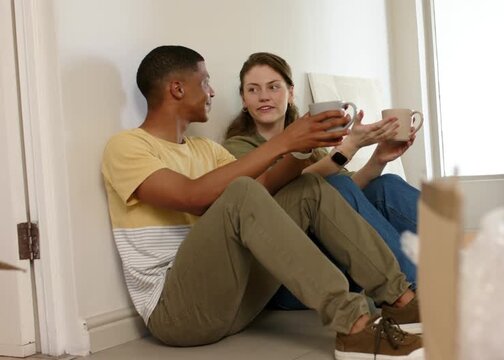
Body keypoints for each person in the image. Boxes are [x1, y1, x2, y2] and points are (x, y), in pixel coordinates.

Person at [101, 45, 423, 360]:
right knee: (240, 191)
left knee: (308, 187)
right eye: (205, 82)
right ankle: (355, 325)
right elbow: (192, 197)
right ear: (177, 88)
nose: (212, 92)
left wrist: (303, 147)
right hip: (176, 313)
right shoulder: (127, 146)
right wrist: (284, 141)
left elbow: (263, 189)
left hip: (235, 300)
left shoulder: (205, 149)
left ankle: (400, 298)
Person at [223, 52, 420, 310]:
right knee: (334, 187)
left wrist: (379, 159)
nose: (264, 96)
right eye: (253, 89)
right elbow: (289, 193)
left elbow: (350, 192)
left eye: (273, 87)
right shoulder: (237, 148)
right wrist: (348, 148)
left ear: (291, 92)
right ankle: (414, 296)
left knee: (387, 185)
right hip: (286, 276)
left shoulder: (310, 144)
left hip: (336, 253)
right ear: (243, 99)